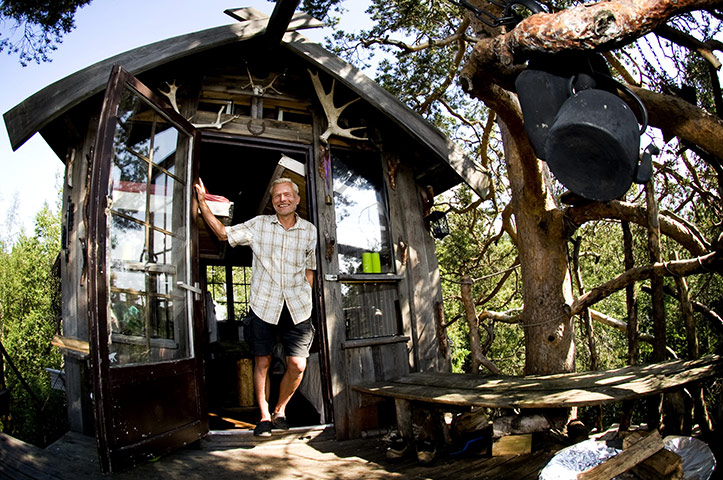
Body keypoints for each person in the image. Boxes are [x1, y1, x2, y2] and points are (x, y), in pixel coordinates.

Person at [195, 177, 317, 437]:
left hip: (298, 307)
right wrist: (204, 205)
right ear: (272, 203)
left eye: (287, 195)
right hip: (264, 304)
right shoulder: (259, 225)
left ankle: (280, 410)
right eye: (277, 196)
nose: (282, 199)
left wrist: (307, 293)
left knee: (297, 364)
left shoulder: (310, 230)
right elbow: (223, 234)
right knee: (263, 361)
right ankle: (264, 417)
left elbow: (310, 268)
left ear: (296, 200)